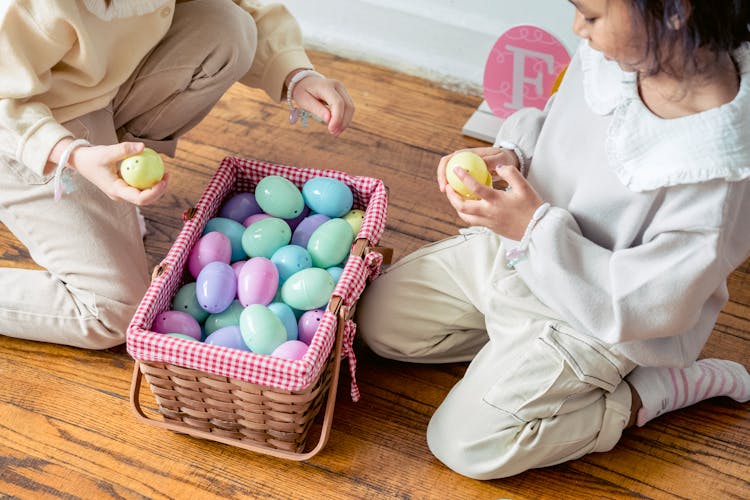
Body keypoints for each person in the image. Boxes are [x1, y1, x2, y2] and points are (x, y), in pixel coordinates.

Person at [357, 0, 750, 480]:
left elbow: (647, 303)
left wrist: (533, 230)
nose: (577, 27)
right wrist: (511, 156)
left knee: (465, 444)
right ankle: (512, 354)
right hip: (514, 253)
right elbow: (559, 126)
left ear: (676, 12)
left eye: (591, 15)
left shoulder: (715, 169)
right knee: (375, 322)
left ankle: (646, 393)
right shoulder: (623, 53)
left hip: (591, 318)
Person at [0, 0, 354, 349]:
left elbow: (244, 8)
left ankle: (110, 195)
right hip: (23, 126)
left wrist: (295, 75)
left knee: (228, 26)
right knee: (114, 310)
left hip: (91, 90)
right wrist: (72, 154)